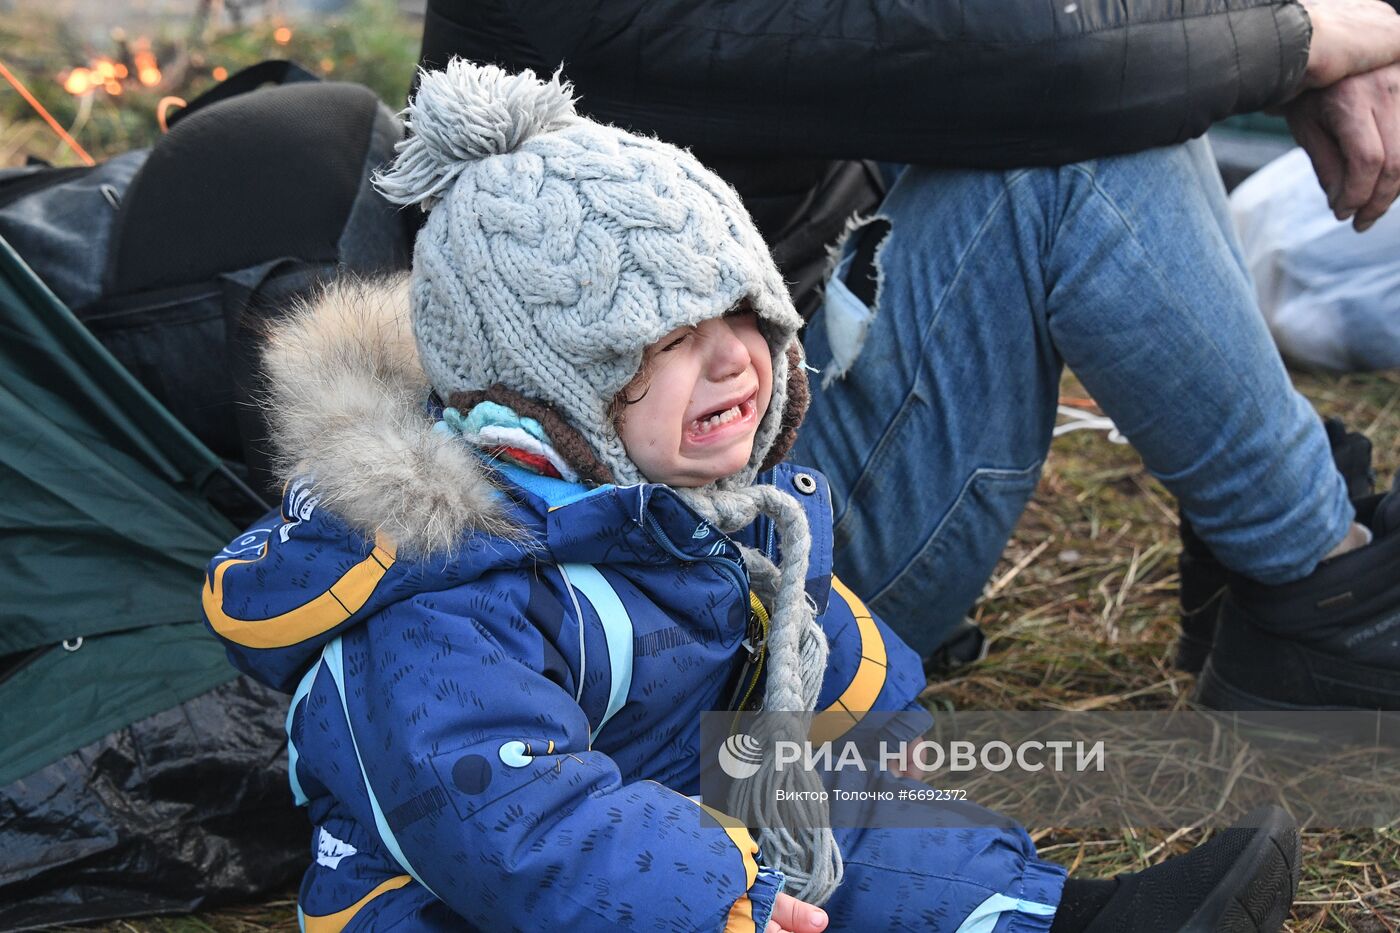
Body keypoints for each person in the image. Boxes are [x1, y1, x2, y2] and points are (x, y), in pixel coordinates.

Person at [203, 62, 1302, 932]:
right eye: (670, 342)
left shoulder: (703, 498)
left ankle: (1047, 919)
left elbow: (806, 627)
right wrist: (708, 900)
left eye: (743, 318)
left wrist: (878, 732)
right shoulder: (441, 598)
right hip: (504, 897)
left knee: (877, 827)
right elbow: (506, 825)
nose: (732, 362)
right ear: (539, 397)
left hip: (705, 816)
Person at [417, 0, 1400, 710]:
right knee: (1074, 140)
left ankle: (1279, 533)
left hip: (750, 461)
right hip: (691, 593)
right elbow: (1055, 65)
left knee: (1129, 74)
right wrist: (1319, 39)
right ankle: (1318, 599)